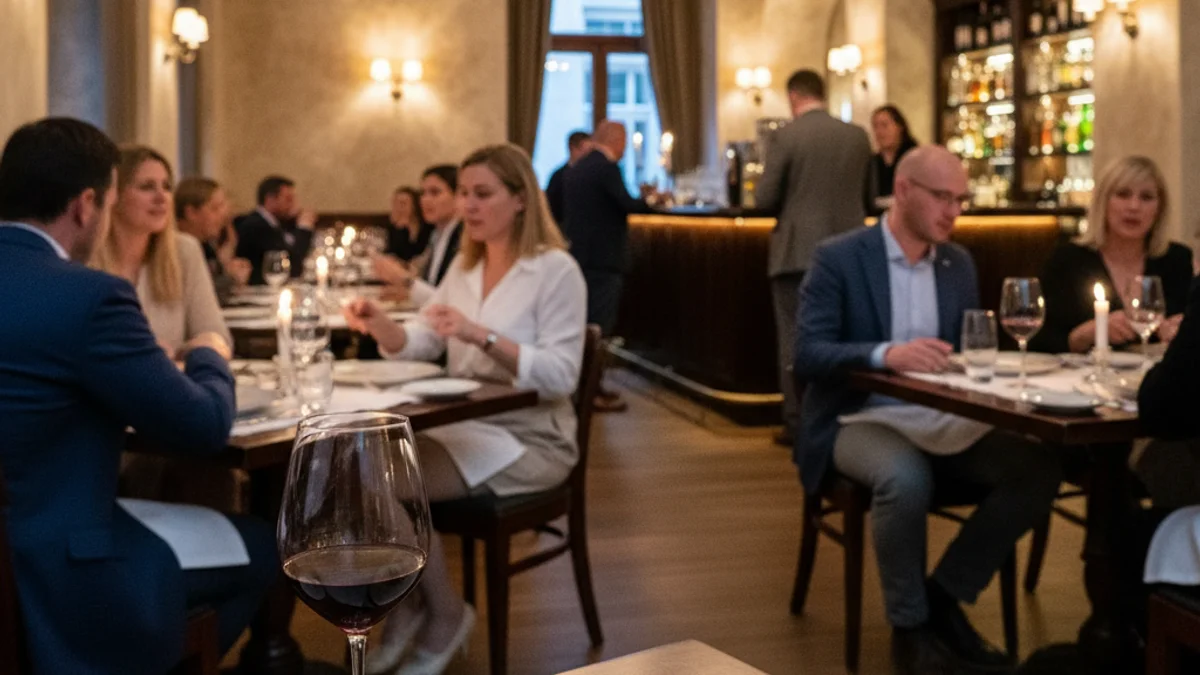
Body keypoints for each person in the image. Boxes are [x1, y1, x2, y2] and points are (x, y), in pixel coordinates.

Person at [0, 117, 276, 674]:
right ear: (87, 205)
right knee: (267, 546)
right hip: (58, 559)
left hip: (17, 532)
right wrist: (208, 356)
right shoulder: (89, 296)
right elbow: (203, 427)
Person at [794, 146, 1061, 674]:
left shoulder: (956, 262)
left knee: (1038, 466)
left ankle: (944, 596)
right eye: (943, 197)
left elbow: (965, 346)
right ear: (903, 191)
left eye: (960, 199)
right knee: (904, 478)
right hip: (858, 413)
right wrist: (884, 354)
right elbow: (806, 353)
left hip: (939, 413)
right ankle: (910, 628)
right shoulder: (840, 256)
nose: (953, 211)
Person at [344, 143, 586, 675]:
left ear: (520, 200)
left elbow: (562, 375)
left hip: (532, 437)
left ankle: (442, 613)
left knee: (387, 481)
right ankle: (412, 603)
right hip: (466, 425)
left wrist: (481, 335)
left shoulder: (555, 270)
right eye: (464, 195)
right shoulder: (464, 265)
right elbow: (427, 340)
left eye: (483, 195)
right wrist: (383, 325)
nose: (468, 207)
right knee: (367, 468)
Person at [754, 69, 872, 446]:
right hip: (853, 251)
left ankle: (798, 422)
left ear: (793, 97)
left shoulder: (786, 136)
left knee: (794, 339)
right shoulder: (857, 136)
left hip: (796, 253)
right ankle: (843, 416)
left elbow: (764, 200)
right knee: (846, 335)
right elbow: (869, 199)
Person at [1031, 156, 1193, 355]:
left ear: (1160, 208)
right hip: (1080, 382)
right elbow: (1035, 342)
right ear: (1103, 202)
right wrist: (1083, 335)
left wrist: (1183, 332)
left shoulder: (1177, 260)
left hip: (1158, 383)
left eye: (1147, 197)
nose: (1134, 207)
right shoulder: (1068, 260)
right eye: (1123, 194)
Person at [90, 147, 232, 357]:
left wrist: (181, 352)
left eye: (166, 187)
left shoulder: (184, 251)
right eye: (147, 187)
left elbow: (218, 337)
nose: (161, 197)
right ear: (113, 195)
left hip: (169, 383)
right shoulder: (85, 257)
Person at [562, 119, 654, 412]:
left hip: (582, 258)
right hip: (603, 260)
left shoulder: (578, 168)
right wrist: (650, 199)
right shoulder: (605, 167)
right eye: (625, 140)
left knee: (586, 326)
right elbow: (628, 204)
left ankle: (587, 389)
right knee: (598, 329)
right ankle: (591, 392)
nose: (626, 147)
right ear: (615, 139)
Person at [372, 165, 463, 306]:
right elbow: (432, 287)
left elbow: (451, 304)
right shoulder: (437, 235)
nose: (425, 200)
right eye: (423, 193)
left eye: (435, 193)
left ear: (458, 197)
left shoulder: (464, 238)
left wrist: (405, 280)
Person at [175, 176, 252, 302]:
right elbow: (196, 297)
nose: (223, 215)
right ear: (191, 213)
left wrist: (225, 264)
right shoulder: (176, 249)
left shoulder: (205, 246)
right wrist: (231, 279)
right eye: (215, 208)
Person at [235, 175, 316, 285]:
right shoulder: (256, 226)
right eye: (288, 199)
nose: (294, 205)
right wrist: (304, 228)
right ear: (270, 200)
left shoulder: (273, 222)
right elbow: (291, 266)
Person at [865, 105, 919, 217]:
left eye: (885, 126)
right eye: (876, 127)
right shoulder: (872, 162)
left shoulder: (915, 158)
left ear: (899, 127)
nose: (880, 132)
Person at [544, 130, 592, 225]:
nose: (588, 156)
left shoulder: (591, 175)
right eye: (584, 151)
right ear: (572, 148)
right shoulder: (558, 176)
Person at [385, 185, 431, 262]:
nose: (398, 207)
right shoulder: (394, 227)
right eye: (395, 203)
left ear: (415, 206)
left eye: (403, 203)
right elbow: (391, 255)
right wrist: (401, 230)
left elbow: (413, 256)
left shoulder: (428, 226)